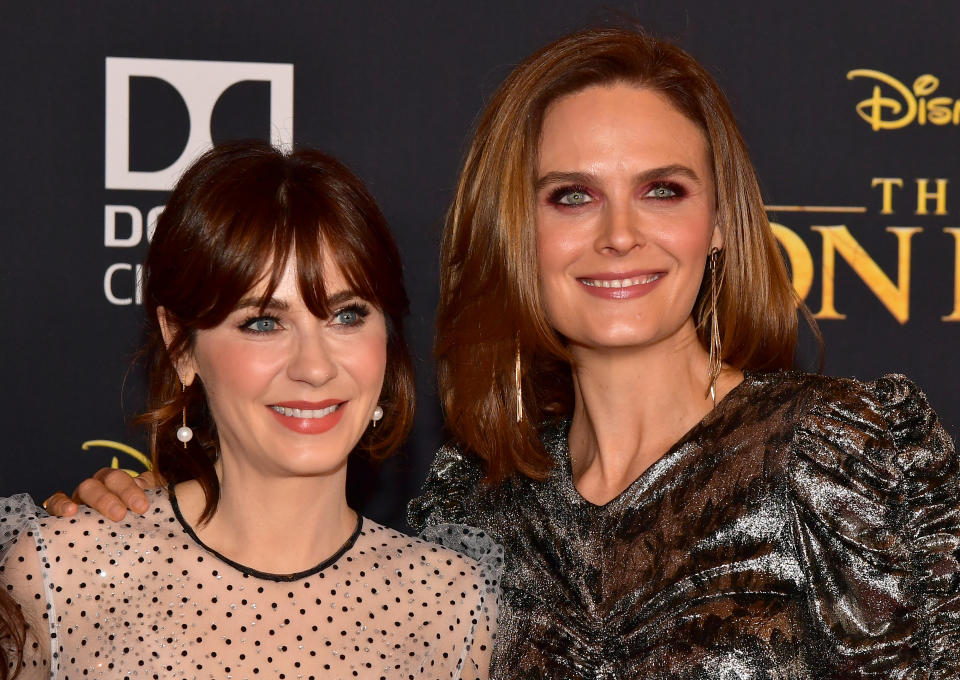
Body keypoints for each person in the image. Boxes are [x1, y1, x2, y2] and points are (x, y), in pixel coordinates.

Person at [47, 28, 960, 679]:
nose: (619, 235)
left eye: (662, 189)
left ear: (718, 224)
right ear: (514, 228)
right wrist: (147, 536)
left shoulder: (839, 449)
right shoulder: (476, 508)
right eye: (571, 196)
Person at [0, 141, 498, 680]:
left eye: (347, 315)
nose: (314, 366)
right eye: (264, 322)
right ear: (181, 345)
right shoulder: (63, 572)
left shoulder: (451, 606)